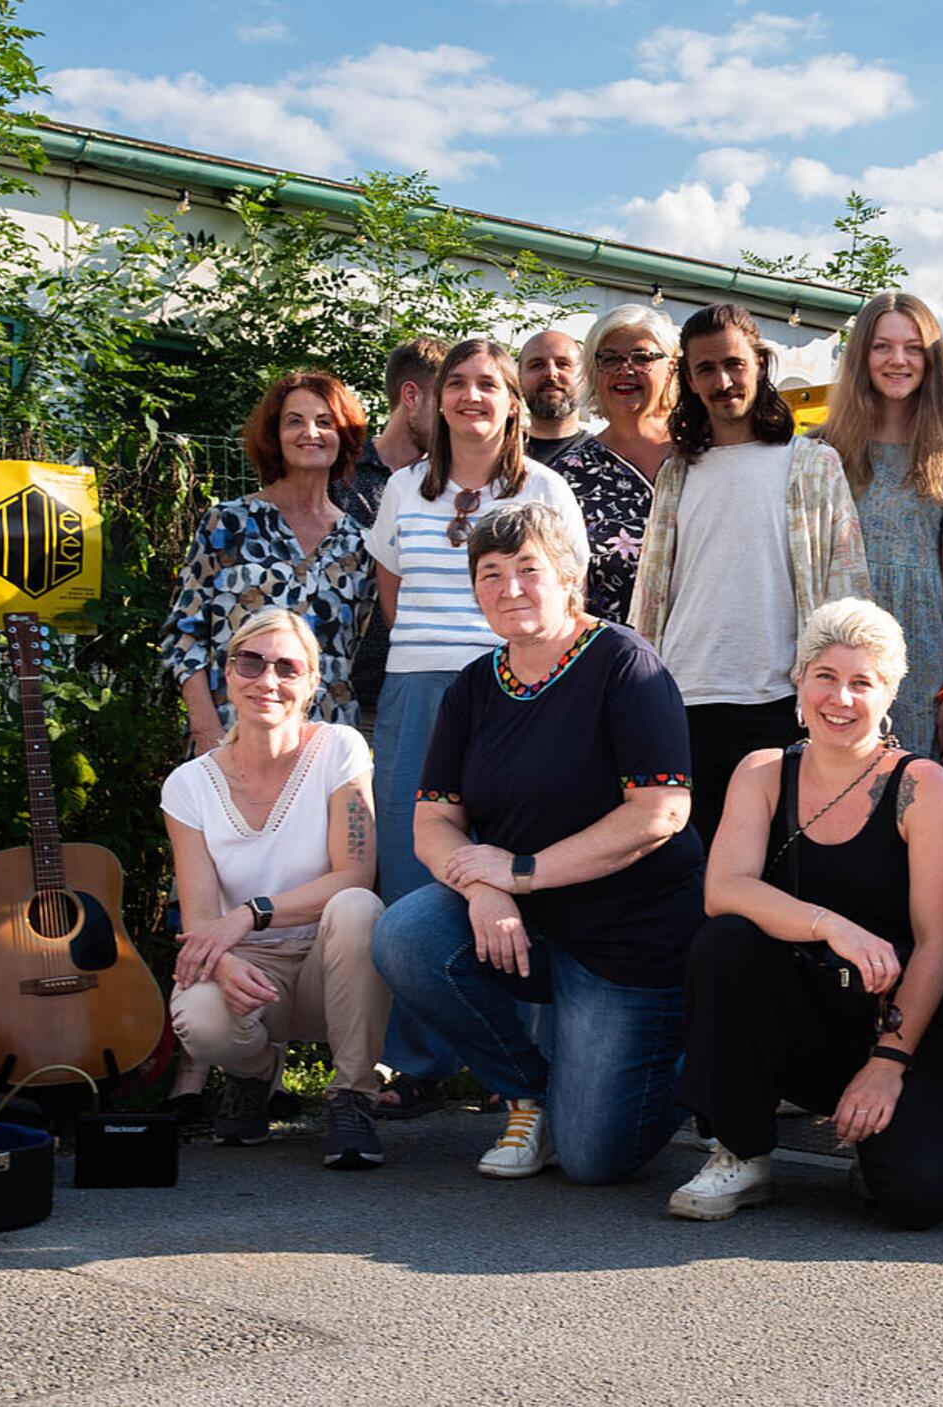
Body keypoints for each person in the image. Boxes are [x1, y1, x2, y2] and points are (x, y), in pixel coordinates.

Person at [370, 502, 704, 1185]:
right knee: (408, 934)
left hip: (627, 942)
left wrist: (521, 872)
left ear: (570, 575)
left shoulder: (625, 665)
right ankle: (527, 1095)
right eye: (489, 574)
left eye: (528, 568)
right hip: (527, 925)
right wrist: (486, 884)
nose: (509, 588)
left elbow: (662, 811)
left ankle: (701, 1057)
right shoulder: (473, 686)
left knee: (593, 1159)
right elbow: (433, 821)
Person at [671, 598, 943, 1227]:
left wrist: (887, 1064)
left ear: (890, 692)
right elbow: (725, 889)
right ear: (799, 681)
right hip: (798, 1019)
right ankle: (742, 1148)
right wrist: (831, 925)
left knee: (919, 1199)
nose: (840, 699)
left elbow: (934, 944)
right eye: (825, 677)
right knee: (726, 940)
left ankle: (875, 1137)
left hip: (897, 1023)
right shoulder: (763, 772)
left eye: (861, 683)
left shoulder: (924, 788)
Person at [630, 301, 872, 845]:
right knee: (690, 861)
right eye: (706, 369)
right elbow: (651, 591)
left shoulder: (811, 463)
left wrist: (846, 684)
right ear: (687, 380)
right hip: (686, 695)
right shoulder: (676, 471)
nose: (723, 381)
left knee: (782, 859)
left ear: (760, 365)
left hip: (781, 699)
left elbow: (847, 582)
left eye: (735, 364)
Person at [161, 609, 389, 1169]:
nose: (267, 680)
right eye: (251, 663)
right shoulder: (189, 784)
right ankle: (254, 1073)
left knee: (360, 908)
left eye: (287, 667)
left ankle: (352, 1095)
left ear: (312, 682)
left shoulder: (340, 749)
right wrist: (219, 966)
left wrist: (249, 914)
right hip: (250, 972)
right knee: (198, 1013)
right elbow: (198, 918)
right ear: (228, 674)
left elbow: (354, 874)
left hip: (327, 968)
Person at [368, 336, 589, 907]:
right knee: (409, 847)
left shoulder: (545, 489)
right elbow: (390, 586)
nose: (472, 396)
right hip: (417, 688)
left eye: (489, 384)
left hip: (515, 689)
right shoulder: (402, 487)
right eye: (458, 384)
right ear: (439, 401)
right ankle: (416, 977)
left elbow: (568, 597)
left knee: (508, 846)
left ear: (514, 403)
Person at [163, 369, 375, 753]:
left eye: (324, 422)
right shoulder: (228, 524)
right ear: (275, 435)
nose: (310, 432)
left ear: (343, 435)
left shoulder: (360, 544)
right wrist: (208, 731)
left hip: (321, 748)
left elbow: (351, 653)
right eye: (295, 421)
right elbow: (184, 635)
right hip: (229, 738)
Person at [815, 291, 943, 759]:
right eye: (882, 347)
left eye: (913, 348)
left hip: (923, 653)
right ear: (861, 355)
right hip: (836, 648)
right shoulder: (820, 450)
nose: (898, 360)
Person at [333, 338, 445, 735]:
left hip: (429, 694)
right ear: (411, 395)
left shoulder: (451, 487)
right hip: (344, 702)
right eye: (445, 397)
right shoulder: (337, 473)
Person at [548, 304, 677, 625]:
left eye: (642, 357)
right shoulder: (568, 476)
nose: (625, 369)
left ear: (671, 368)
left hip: (708, 657)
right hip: (612, 662)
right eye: (610, 359)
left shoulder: (705, 455)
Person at [519, 328, 590, 465]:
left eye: (563, 364)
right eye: (537, 365)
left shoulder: (608, 459)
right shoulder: (493, 457)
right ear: (519, 379)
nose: (551, 373)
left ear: (584, 377)